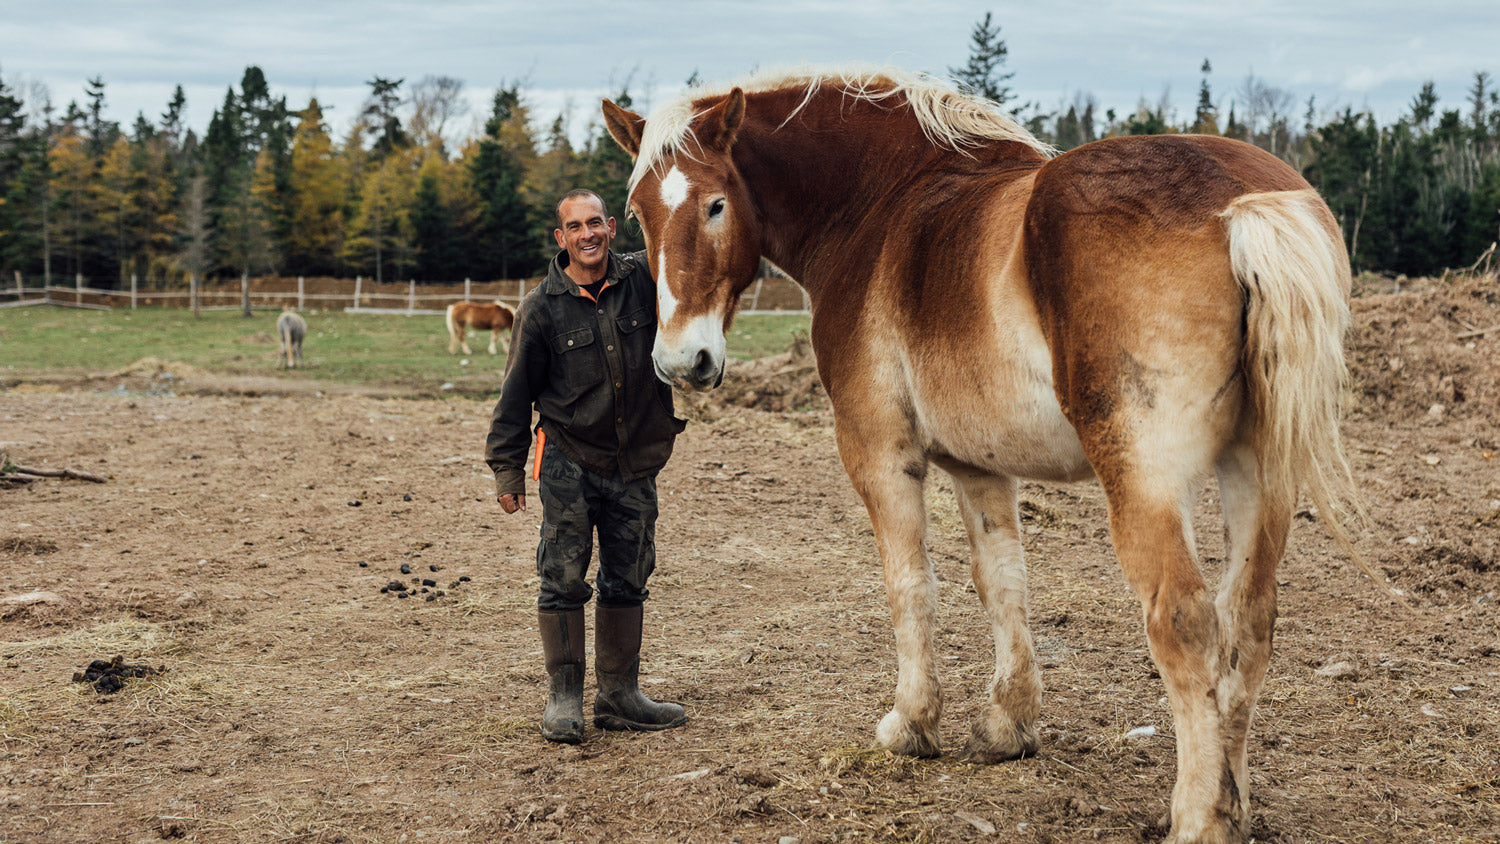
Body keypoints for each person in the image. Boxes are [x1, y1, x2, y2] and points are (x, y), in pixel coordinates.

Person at [485, 188, 688, 745]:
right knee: (563, 577)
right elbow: (513, 397)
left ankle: (620, 695)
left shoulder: (644, 280)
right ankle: (565, 697)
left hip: (635, 460)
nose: (588, 235)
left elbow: (688, 262)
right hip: (569, 463)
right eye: (575, 227)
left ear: (613, 227)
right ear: (562, 239)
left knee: (629, 575)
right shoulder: (540, 307)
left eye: (596, 223)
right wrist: (507, 470)